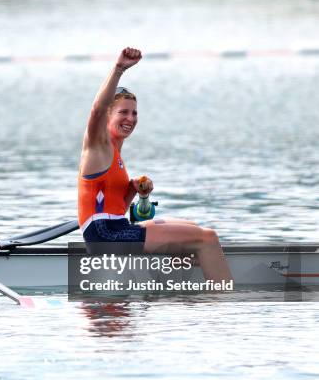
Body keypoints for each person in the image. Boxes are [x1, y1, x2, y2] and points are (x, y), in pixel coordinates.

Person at [78, 47, 232, 281]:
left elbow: (117, 208)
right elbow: (96, 110)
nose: (130, 119)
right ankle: (221, 303)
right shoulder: (98, 146)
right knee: (207, 237)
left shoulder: (116, 156)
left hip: (113, 229)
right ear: (108, 116)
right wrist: (119, 69)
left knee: (191, 227)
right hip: (105, 236)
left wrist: (135, 189)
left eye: (134, 113)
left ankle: (186, 292)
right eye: (123, 113)